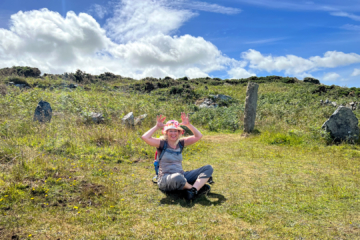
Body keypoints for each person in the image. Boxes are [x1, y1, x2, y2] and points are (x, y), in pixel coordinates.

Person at [141, 112, 213, 200]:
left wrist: (189, 125)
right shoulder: (161, 143)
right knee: (178, 177)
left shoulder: (181, 143)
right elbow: (145, 137)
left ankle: (193, 190)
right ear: (166, 132)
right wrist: (157, 127)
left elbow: (198, 136)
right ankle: (195, 188)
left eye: (176, 131)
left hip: (181, 175)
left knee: (208, 168)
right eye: (170, 130)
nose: (173, 133)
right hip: (165, 178)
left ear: (179, 132)